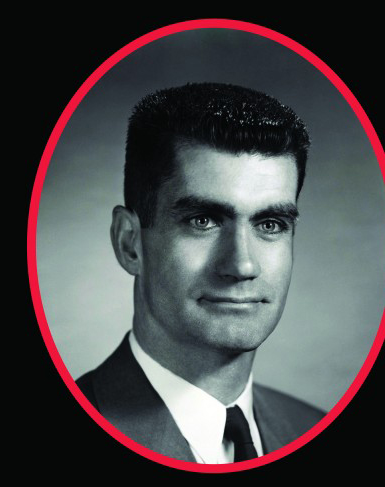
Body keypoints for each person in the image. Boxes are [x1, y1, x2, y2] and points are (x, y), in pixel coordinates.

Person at [76, 82, 324, 464]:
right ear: (129, 244)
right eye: (203, 220)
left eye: (271, 224)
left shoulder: (308, 427)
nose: (242, 265)